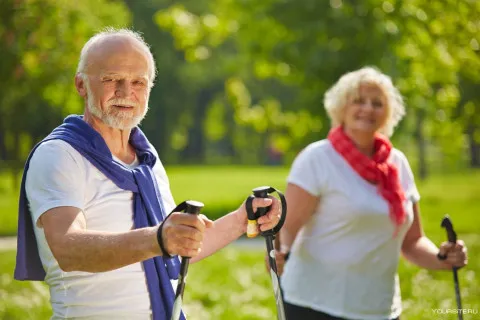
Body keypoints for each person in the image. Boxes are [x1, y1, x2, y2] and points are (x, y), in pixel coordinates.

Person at [14, 28, 281, 320]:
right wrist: (158, 239)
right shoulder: (60, 154)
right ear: (81, 85)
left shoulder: (146, 159)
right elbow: (67, 248)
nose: (126, 93)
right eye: (111, 79)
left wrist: (245, 218)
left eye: (138, 82)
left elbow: (176, 248)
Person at [274, 67, 468, 320]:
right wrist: (280, 252)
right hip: (315, 303)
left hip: (380, 308)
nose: (368, 108)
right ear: (341, 108)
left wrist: (442, 257)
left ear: (387, 114)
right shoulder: (317, 158)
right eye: (358, 100)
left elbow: (411, 242)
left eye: (377, 103)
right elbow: (288, 227)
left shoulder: (397, 164)